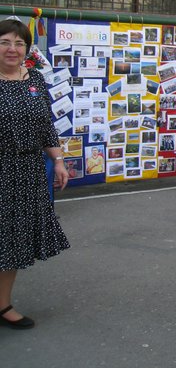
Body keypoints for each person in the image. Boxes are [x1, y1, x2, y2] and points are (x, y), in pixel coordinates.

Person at [0, 18, 70, 329]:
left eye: (18, 43)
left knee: (12, 241)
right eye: (5, 42)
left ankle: (2, 306)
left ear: (27, 48)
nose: (12, 49)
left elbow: (45, 125)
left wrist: (57, 160)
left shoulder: (35, 79)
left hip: (27, 170)